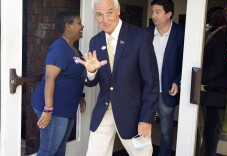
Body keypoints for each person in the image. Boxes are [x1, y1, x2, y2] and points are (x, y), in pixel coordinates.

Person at [79, 0, 159, 155]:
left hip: (133, 115)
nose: (105, 19)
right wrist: (91, 72)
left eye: (109, 12)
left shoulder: (139, 37)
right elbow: (91, 81)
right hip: (104, 111)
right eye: (99, 15)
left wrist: (146, 118)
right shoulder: (95, 41)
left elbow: (152, 82)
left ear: (118, 10)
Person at [31, 10, 86, 156]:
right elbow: (50, 78)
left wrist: (81, 96)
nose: (82, 26)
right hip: (54, 108)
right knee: (48, 150)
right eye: (79, 23)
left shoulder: (75, 50)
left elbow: (74, 76)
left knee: (60, 148)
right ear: (68, 26)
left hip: (67, 106)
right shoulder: (59, 48)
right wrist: (48, 109)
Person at [146, 0, 184, 155]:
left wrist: (177, 81)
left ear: (169, 14)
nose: (153, 15)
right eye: (153, 11)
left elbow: (185, 63)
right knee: (142, 127)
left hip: (166, 92)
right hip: (147, 90)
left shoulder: (180, 34)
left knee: (166, 132)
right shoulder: (146, 33)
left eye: (157, 12)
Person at [200, 9, 227, 156]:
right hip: (210, 93)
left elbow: (218, 67)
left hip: (216, 93)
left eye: (213, 18)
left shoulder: (222, 37)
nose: (209, 20)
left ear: (220, 21)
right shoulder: (213, 35)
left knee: (212, 131)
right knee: (208, 130)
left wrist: (197, 77)